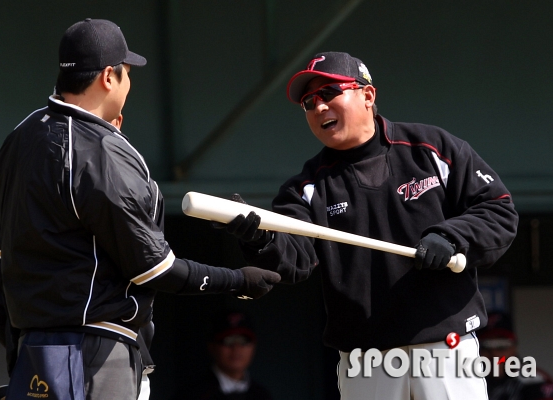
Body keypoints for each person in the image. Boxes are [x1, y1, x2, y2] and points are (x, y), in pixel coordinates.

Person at [0, 18, 280, 400]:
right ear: (108, 77)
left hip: (35, 350)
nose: (129, 82)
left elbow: (0, 256)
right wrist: (239, 281)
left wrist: (19, 344)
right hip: (95, 348)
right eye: (127, 72)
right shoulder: (103, 150)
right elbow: (155, 269)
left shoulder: (19, 138)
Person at [219, 51, 519, 399]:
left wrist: (452, 236)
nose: (318, 107)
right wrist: (259, 237)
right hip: (366, 358)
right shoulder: (305, 187)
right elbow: (294, 257)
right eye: (308, 102)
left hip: (446, 348)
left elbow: (498, 210)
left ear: (368, 95)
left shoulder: (431, 148)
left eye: (329, 93)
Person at [182, 310, 273, 400]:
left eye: (244, 341)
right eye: (228, 341)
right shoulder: (193, 395)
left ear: (254, 346)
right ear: (212, 346)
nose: (236, 348)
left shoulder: (262, 395)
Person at [479, 312, 553, 400]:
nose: (495, 354)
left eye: (502, 347)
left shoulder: (533, 378)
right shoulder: (469, 379)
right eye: (486, 347)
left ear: (514, 348)